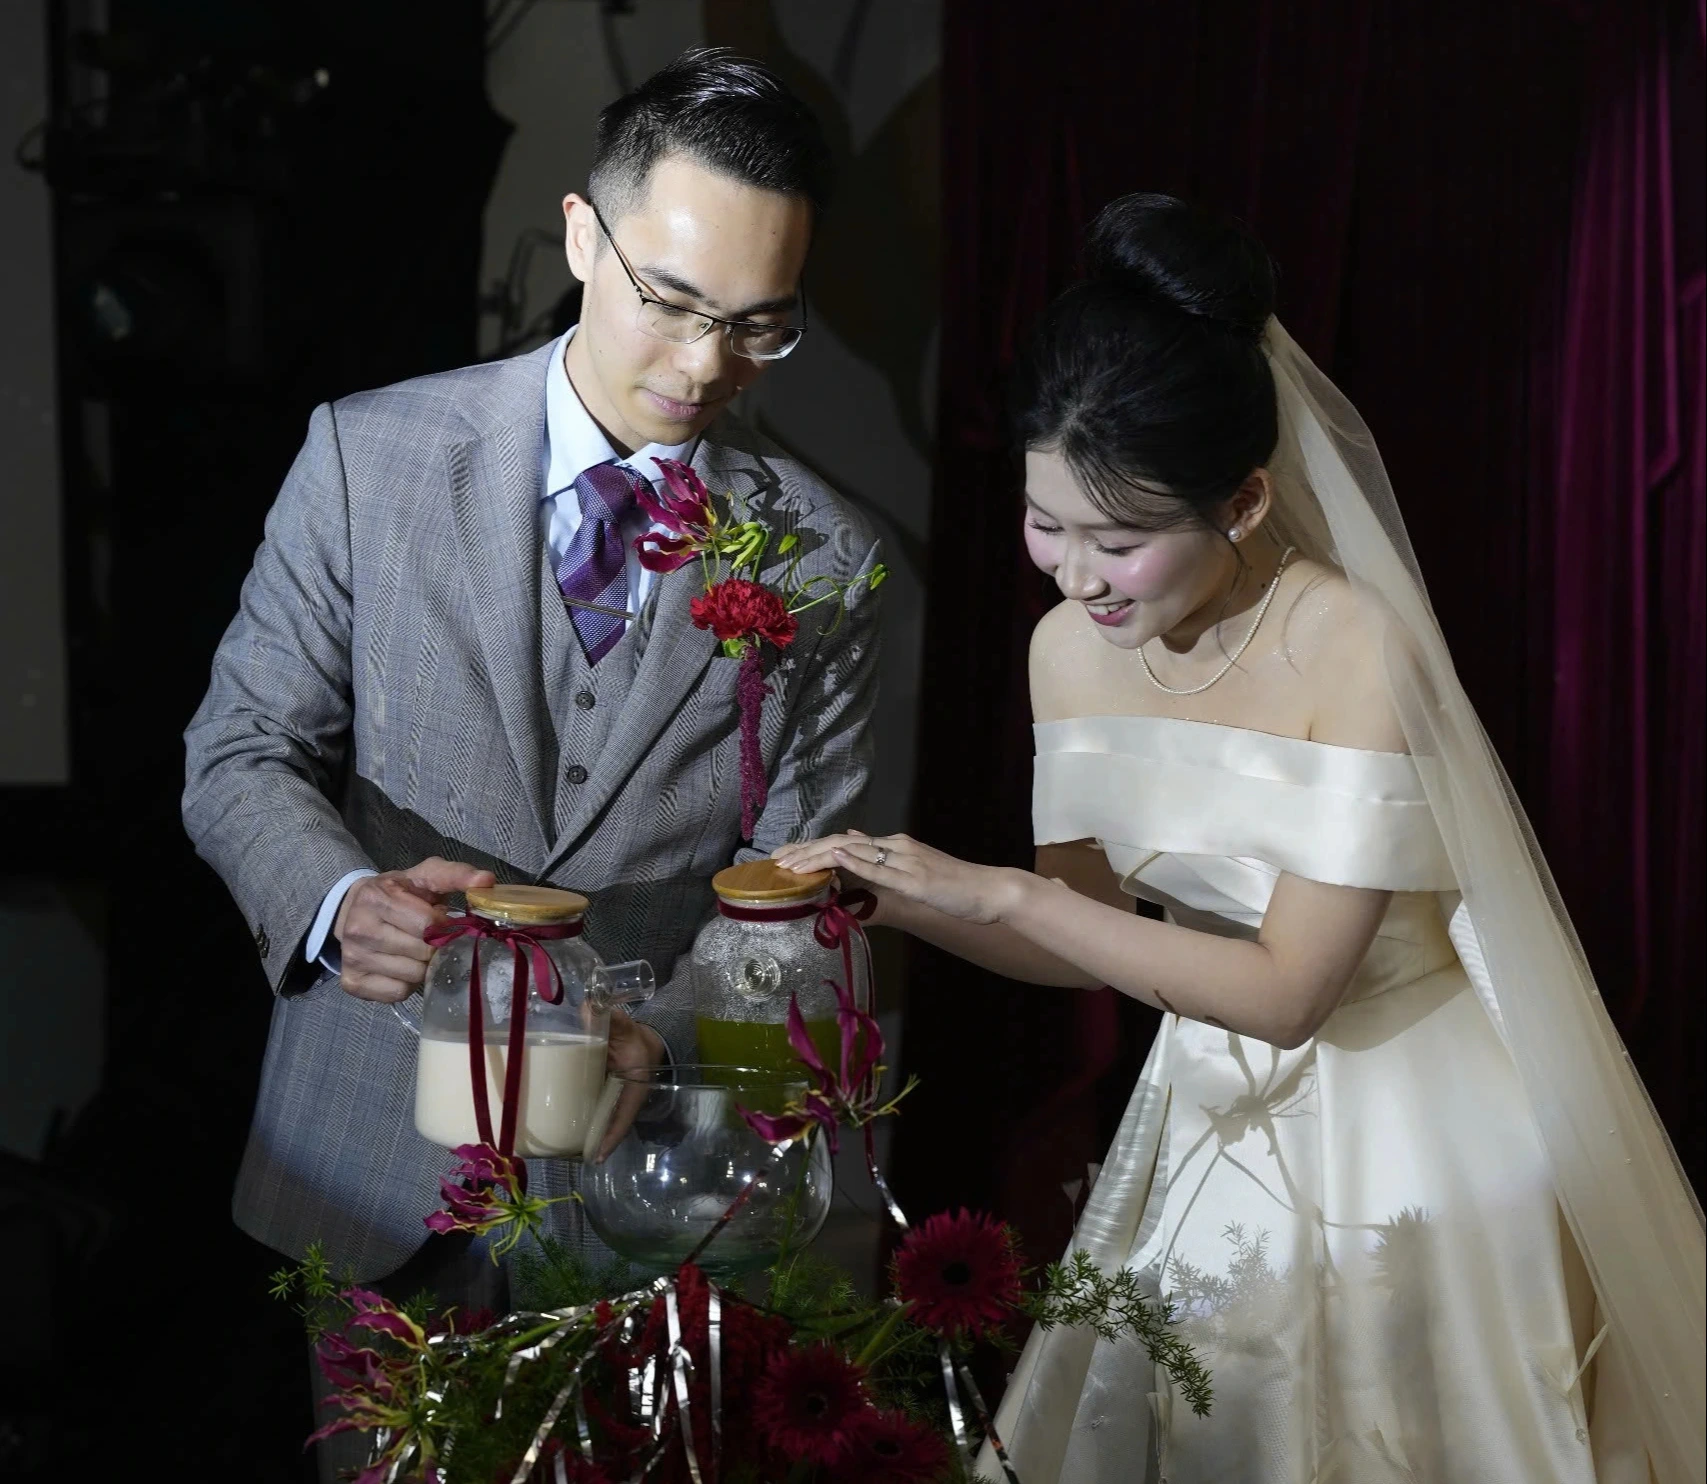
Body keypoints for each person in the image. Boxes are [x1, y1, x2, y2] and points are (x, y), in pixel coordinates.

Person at [778, 195, 1703, 1482]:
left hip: (1418, 1136)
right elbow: (1084, 933)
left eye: (1122, 540)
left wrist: (992, 897)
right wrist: (894, 896)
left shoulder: (1352, 645)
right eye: (1047, 523)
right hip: (1209, 1108)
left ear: (1248, 497)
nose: (1077, 576)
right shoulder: (1067, 648)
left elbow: (1289, 992)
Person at [183, 47, 881, 1477]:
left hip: (664, 1162)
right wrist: (336, 905)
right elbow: (240, 750)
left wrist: (655, 1033)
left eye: (758, 327)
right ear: (580, 235)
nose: (703, 369)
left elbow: (815, 899)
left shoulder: (827, 558)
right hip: (371, 1141)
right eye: (669, 305)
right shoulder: (365, 457)